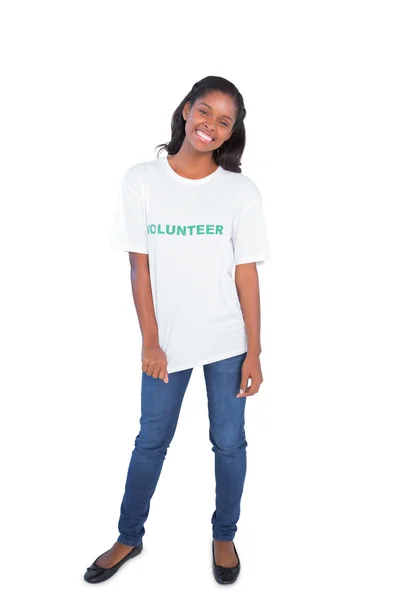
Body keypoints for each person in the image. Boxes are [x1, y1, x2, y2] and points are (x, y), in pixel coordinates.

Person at [84, 75, 271, 585]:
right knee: (150, 442)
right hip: (165, 345)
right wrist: (150, 340)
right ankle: (129, 535)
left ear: (232, 132)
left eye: (224, 121)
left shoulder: (239, 191)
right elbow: (139, 269)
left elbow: (246, 276)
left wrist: (254, 352)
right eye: (204, 111)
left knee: (230, 443)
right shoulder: (141, 179)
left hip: (228, 343)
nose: (210, 125)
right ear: (187, 109)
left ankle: (224, 535)